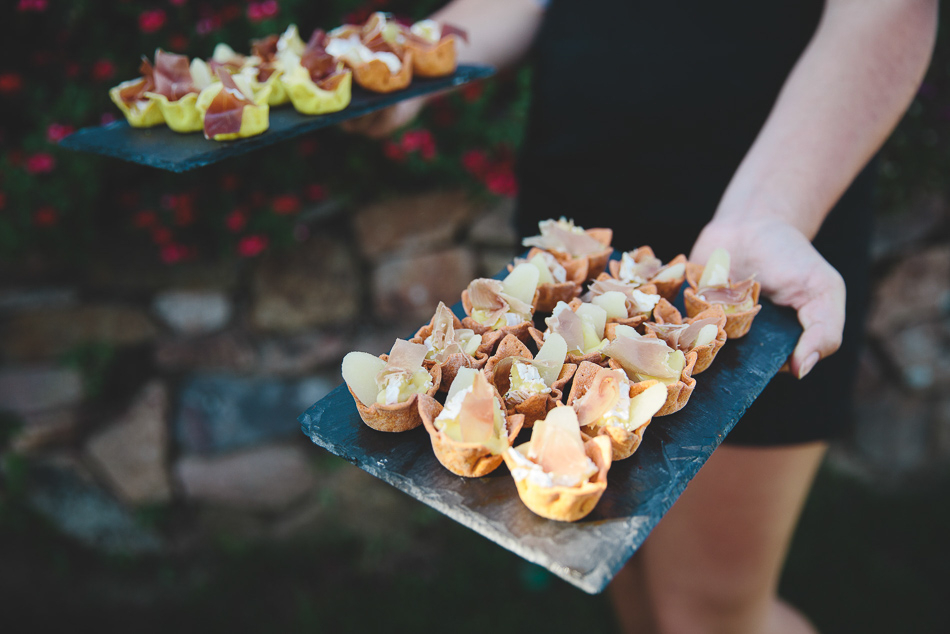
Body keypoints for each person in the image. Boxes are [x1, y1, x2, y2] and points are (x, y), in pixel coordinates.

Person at [346, 1, 939, 632]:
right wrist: (412, 55)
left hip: (761, 229)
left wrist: (770, 212)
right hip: (577, 214)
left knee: (710, 612)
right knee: (630, 579)